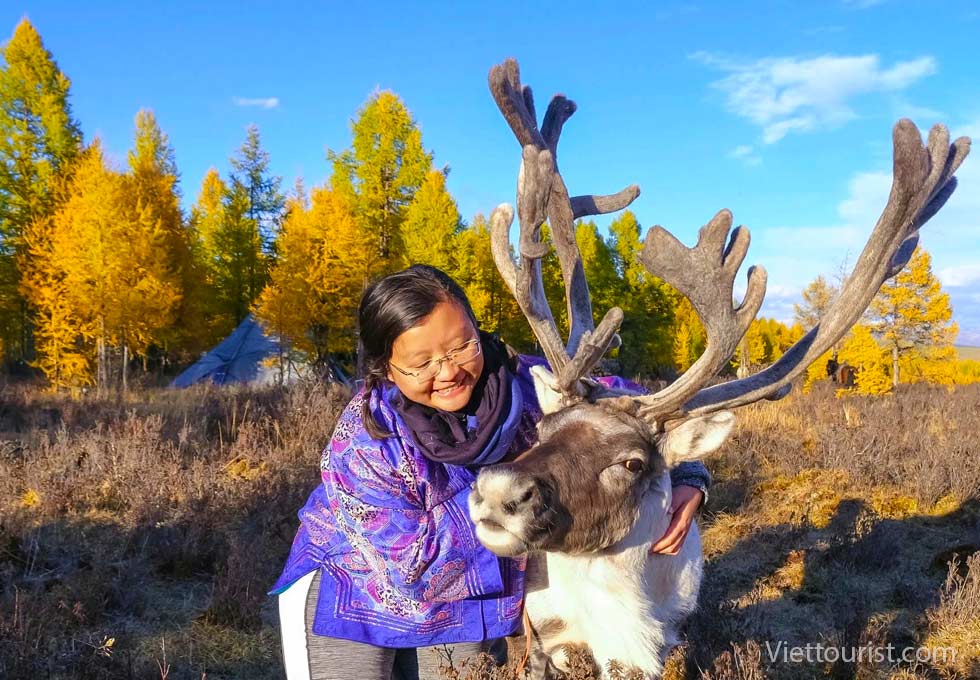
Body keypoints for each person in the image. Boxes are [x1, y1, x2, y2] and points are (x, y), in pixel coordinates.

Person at [271, 265, 711, 680]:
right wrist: (527, 506)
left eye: (462, 345)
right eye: (421, 363)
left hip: (466, 609)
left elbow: (637, 413)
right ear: (385, 367)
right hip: (351, 599)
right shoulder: (364, 442)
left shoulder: (529, 383)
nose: (448, 371)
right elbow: (415, 571)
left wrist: (687, 472)